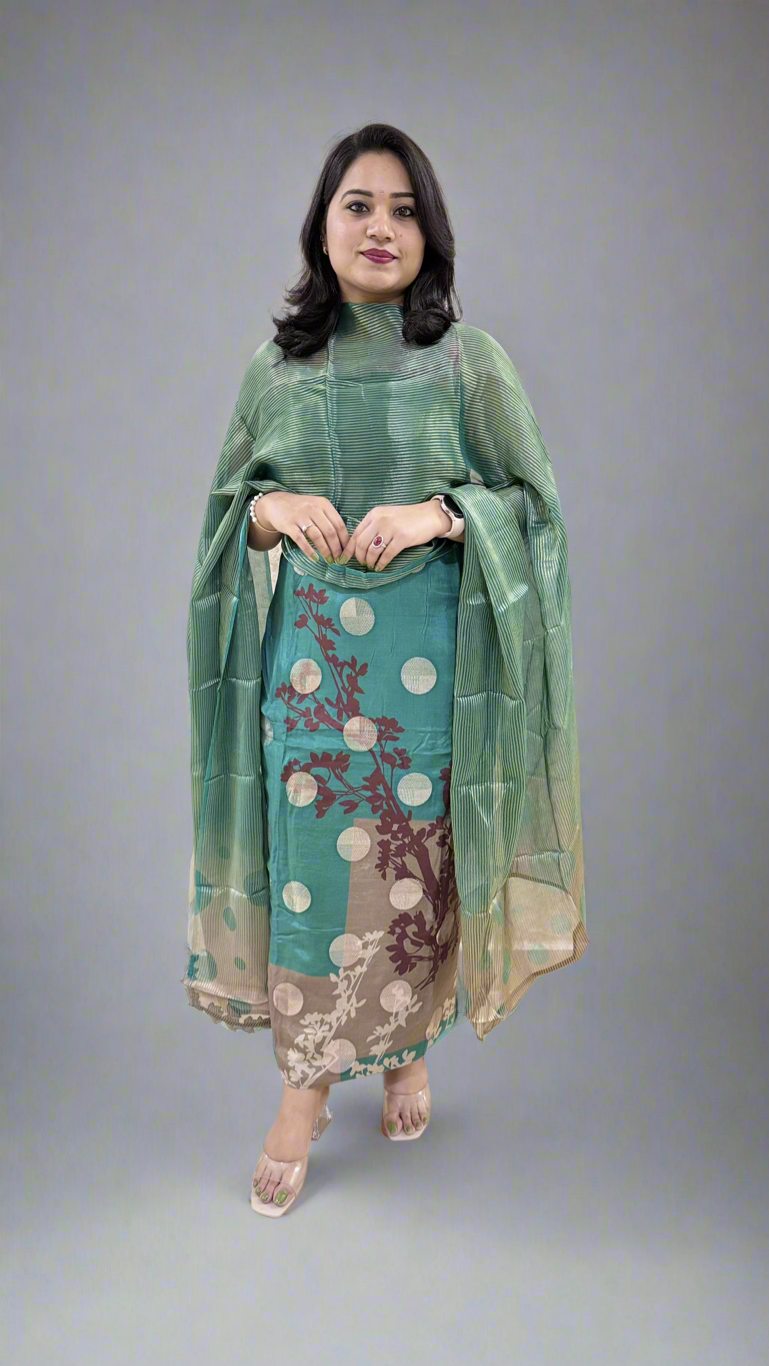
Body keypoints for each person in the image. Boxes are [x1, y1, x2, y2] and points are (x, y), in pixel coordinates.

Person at [183, 122, 588, 1218]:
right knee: (316, 883)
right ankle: (304, 1090)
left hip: (430, 682)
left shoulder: (466, 363)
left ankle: (404, 1050)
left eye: (405, 209)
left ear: (430, 233)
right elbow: (229, 518)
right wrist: (271, 507)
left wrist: (440, 514)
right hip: (313, 684)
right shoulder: (276, 371)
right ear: (321, 226)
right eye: (358, 204)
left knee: (416, 881)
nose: (380, 227)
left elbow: (534, 509)